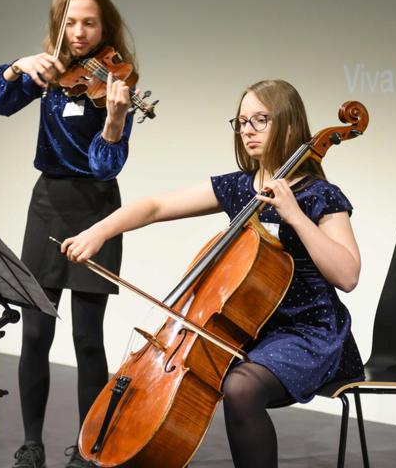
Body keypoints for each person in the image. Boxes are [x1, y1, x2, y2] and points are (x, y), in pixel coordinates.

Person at [61, 79, 366, 467]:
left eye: (260, 120)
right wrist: (99, 231)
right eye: (242, 122)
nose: (248, 130)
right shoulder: (239, 188)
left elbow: (347, 275)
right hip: (246, 332)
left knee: (240, 387)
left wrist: (295, 215)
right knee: (182, 385)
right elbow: (155, 206)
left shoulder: (319, 195)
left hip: (308, 332)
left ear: (289, 126)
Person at [0, 0, 137, 467]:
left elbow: (106, 167)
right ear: (59, 25)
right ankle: (32, 444)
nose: (79, 33)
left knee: (88, 339)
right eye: (71, 23)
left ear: (105, 26)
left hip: (96, 208)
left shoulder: (117, 78)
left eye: (89, 23)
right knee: (34, 334)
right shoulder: (47, 73)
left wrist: (114, 121)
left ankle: (89, 449)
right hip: (46, 204)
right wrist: (17, 67)